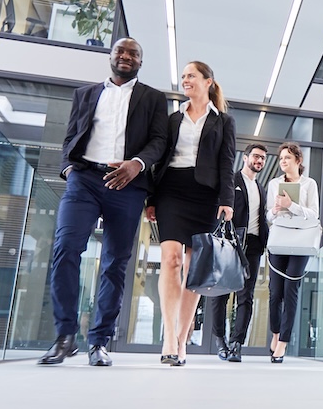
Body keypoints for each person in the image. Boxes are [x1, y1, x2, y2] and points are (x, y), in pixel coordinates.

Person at [39, 37, 168, 367]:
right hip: (85, 179)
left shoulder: (153, 98)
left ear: (140, 61)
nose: (126, 56)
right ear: (111, 57)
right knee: (66, 248)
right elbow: (71, 136)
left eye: (133, 53)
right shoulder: (85, 94)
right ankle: (65, 336)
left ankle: (99, 341)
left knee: (115, 262)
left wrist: (136, 164)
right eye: (120, 51)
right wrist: (69, 169)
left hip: (128, 183)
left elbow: (159, 141)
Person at [146, 61, 235, 366]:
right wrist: (151, 198)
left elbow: (227, 163)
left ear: (208, 81)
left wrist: (227, 200)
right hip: (171, 190)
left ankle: (183, 339)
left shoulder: (223, 121)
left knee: (193, 271)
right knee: (171, 260)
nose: (185, 80)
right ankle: (169, 338)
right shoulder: (173, 119)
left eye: (191, 76)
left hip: (205, 197)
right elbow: (159, 160)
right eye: (183, 76)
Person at [205, 143, 268, 362]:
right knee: (221, 293)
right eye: (256, 156)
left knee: (246, 296)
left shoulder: (261, 188)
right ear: (245, 158)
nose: (259, 161)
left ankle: (237, 344)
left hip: (254, 246)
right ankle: (220, 341)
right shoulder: (231, 181)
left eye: (263, 158)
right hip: (230, 244)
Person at [265, 141, 318, 363]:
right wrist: (276, 209)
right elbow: (268, 216)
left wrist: (291, 205)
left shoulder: (309, 184)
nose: (283, 161)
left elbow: (314, 214)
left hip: (301, 241)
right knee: (275, 291)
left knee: (290, 291)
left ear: (298, 160)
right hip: (279, 239)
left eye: (287, 157)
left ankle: (283, 342)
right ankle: (276, 333)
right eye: (281, 158)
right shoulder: (274, 184)